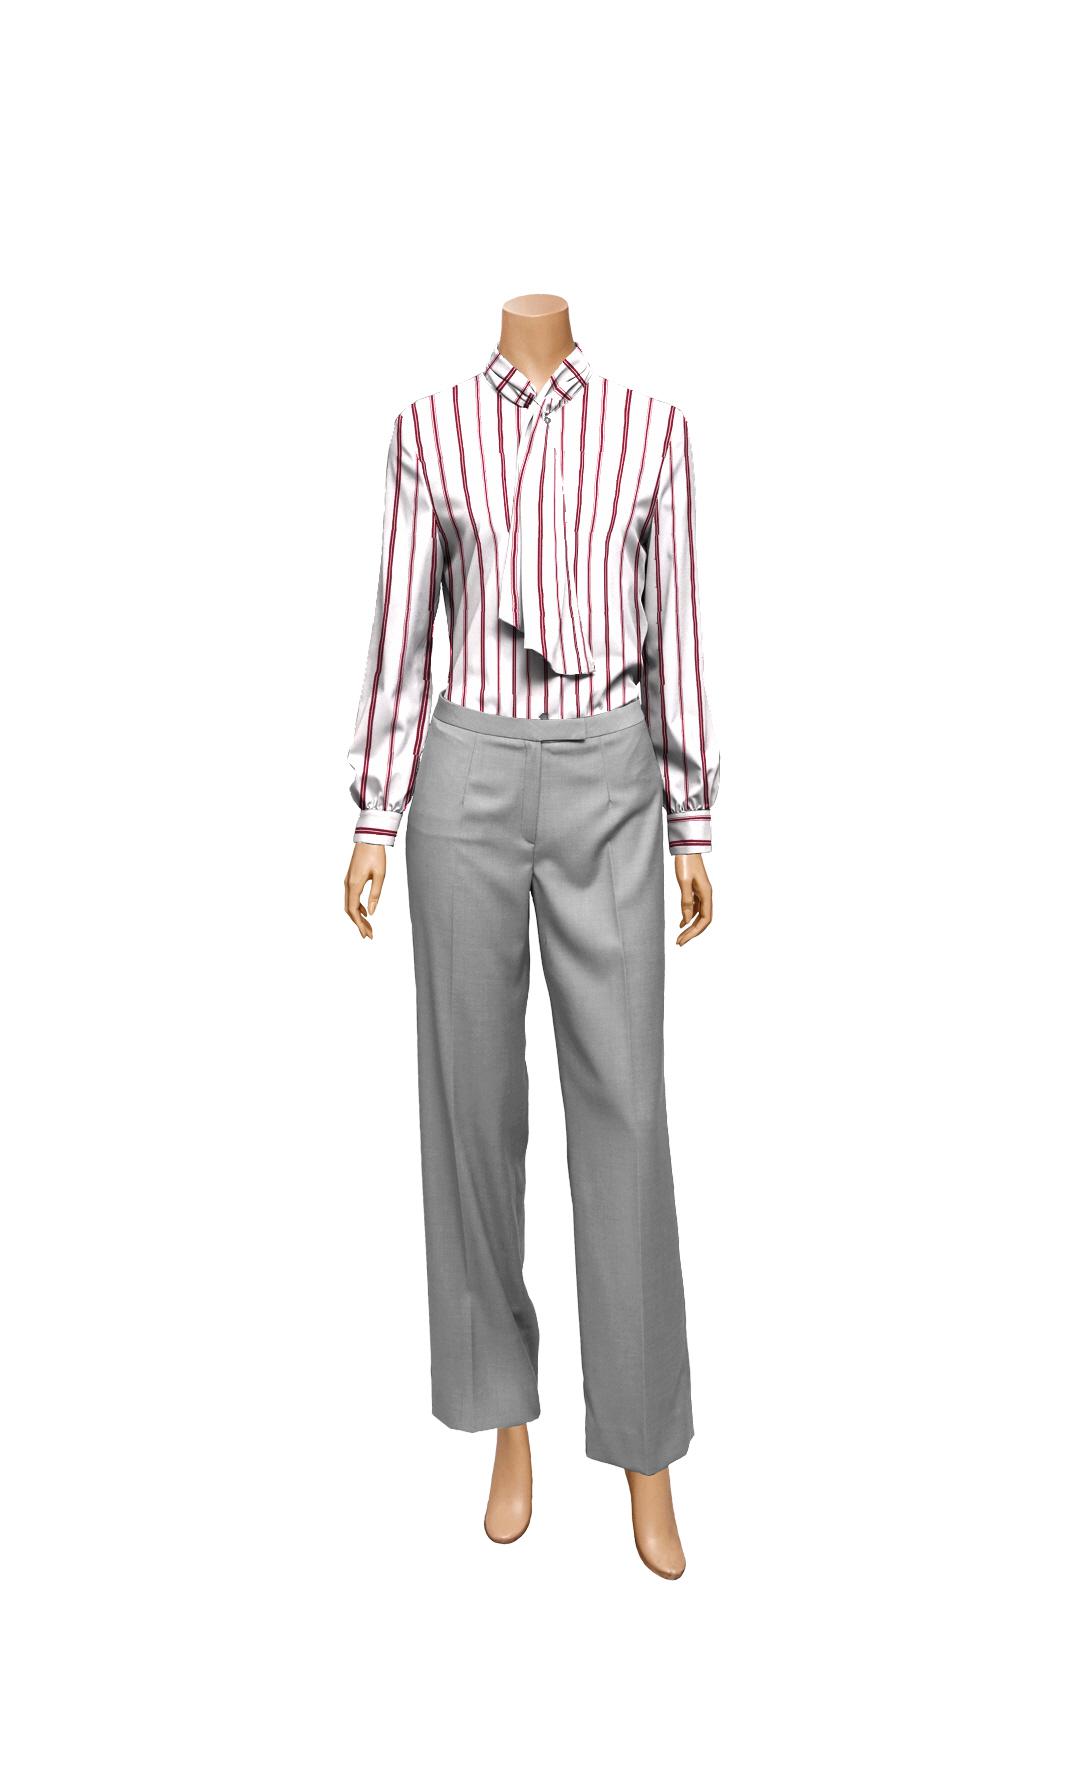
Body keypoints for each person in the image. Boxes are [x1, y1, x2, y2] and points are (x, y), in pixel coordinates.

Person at [344, 294, 720, 1580]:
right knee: (472, 1108)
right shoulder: (430, 429)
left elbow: (677, 627)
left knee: (627, 1109)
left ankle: (646, 1445)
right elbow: (402, 626)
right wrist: (376, 812)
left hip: (612, 768)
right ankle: (506, 1417)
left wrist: (692, 817)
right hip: (465, 774)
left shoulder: (653, 429)